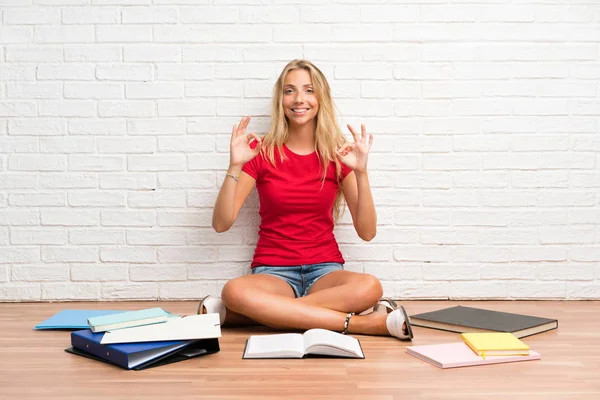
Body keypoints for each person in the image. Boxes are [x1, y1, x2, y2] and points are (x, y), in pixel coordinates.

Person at [199, 59, 413, 340]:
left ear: (320, 98)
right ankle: (368, 325)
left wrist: (361, 172)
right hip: (273, 272)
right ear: (280, 100)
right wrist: (235, 166)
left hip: (325, 271)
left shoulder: (338, 153)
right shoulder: (261, 152)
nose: (299, 99)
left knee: (371, 287)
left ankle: (255, 315)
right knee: (234, 291)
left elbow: (367, 232)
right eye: (290, 91)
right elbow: (221, 223)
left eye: (308, 90)